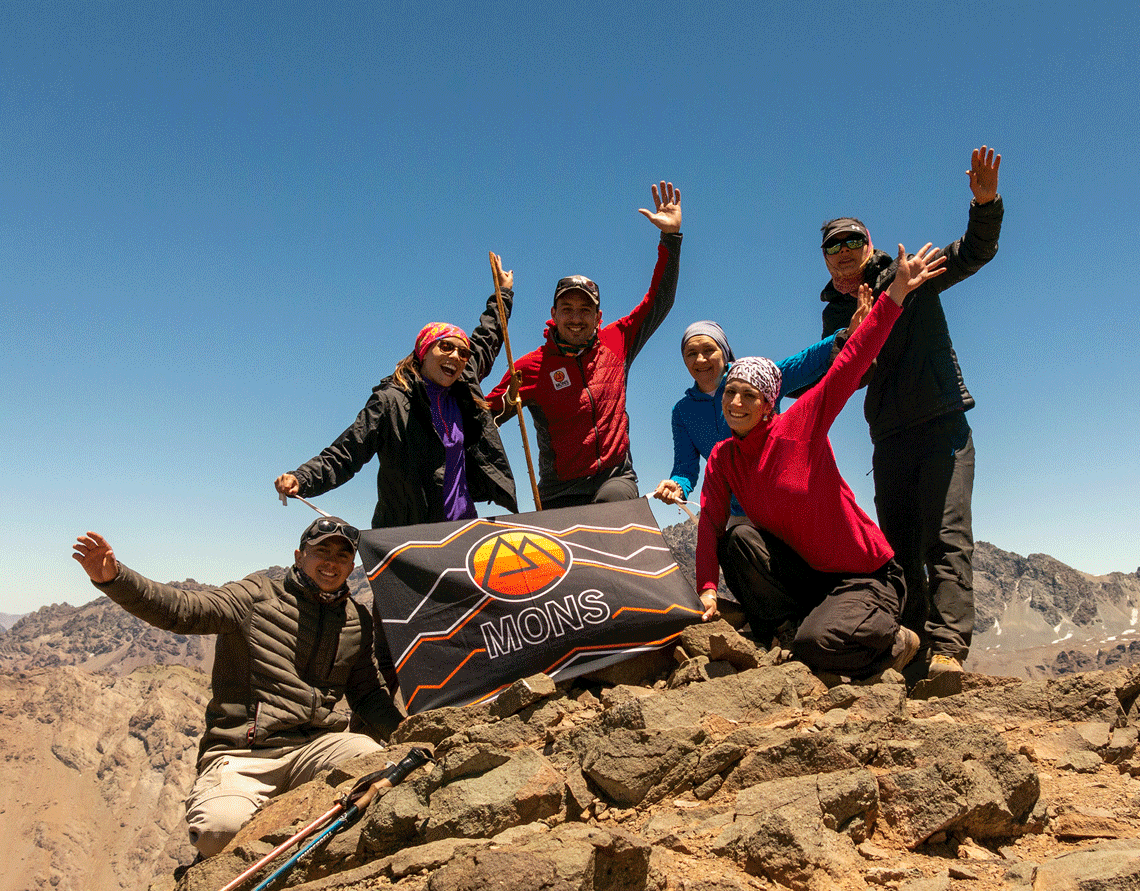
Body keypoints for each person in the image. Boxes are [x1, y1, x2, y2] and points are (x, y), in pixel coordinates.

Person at [71, 518, 404, 858]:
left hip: (316, 748)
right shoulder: (254, 597)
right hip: (244, 755)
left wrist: (411, 734)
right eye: (322, 552)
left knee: (373, 762)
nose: (331, 563)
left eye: (342, 556)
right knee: (219, 833)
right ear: (299, 556)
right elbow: (183, 610)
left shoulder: (355, 618)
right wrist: (115, 578)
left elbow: (369, 695)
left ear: (351, 566)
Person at [695, 244, 945, 679]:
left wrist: (897, 293)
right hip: (812, 577)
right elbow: (710, 523)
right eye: (730, 393)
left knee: (817, 647)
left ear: (769, 404)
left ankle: (894, 641)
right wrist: (707, 588)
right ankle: (787, 628)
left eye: (748, 395)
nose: (736, 402)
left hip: (865, 575)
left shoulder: (801, 424)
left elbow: (850, 364)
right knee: (737, 541)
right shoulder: (724, 456)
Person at [817, 146, 1003, 678]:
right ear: (827, 262)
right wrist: (854, 337)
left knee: (947, 536)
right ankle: (913, 652)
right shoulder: (834, 314)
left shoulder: (910, 273)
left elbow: (972, 254)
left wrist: (985, 203)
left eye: (853, 241)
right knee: (898, 550)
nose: (845, 252)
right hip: (891, 439)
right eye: (834, 248)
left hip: (943, 424)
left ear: (868, 243)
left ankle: (947, 652)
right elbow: (845, 382)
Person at [274, 259, 518, 529]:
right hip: (407, 535)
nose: (456, 356)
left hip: (461, 529)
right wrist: (303, 478)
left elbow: (489, 337)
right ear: (424, 352)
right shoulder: (390, 401)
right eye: (446, 347)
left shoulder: (464, 386)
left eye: (463, 352)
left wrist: (503, 295)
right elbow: (347, 452)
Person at [487, 182, 682, 509]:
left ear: (598, 316)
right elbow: (486, 417)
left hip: (614, 479)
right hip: (557, 492)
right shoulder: (529, 368)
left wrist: (671, 239)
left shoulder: (617, 340)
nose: (576, 318)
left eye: (585, 310)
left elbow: (658, 301)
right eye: (567, 309)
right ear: (553, 314)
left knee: (612, 507)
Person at [652, 312, 870, 600]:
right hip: (738, 511)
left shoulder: (755, 378)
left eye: (708, 350)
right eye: (691, 353)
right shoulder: (683, 412)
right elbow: (685, 466)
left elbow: (804, 361)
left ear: (724, 351)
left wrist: (845, 334)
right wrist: (677, 486)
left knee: (804, 569)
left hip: (780, 502)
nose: (700, 360)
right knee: (739, 558)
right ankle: (778, 624)